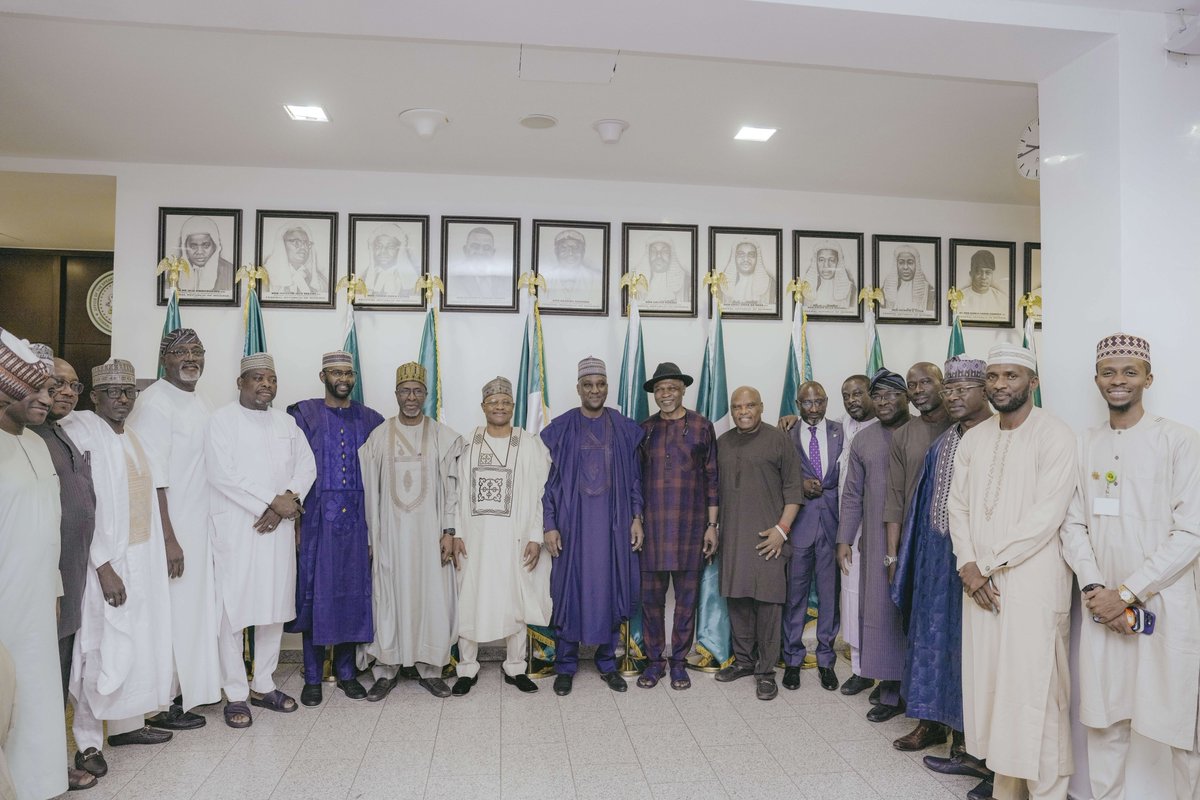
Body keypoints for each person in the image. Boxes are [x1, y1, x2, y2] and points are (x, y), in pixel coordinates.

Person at [1060, 333, 1200, 800]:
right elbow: (1072, 524)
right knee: (1105, 718)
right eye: (1108, 372)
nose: (1118, 381)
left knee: (1181, 723)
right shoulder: (1084, 444)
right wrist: (1098, 589)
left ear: (1148, 378)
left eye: (1129, 372)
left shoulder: (1179, 440)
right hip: (1101, 604)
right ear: (1096, 379)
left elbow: (1191, 533)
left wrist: (1127, 594)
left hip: (1166, 603)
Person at [948, 343, 1077, 800]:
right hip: (980, 585)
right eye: (995, 377)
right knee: (993, 691)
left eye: (1012, 376)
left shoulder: (1056, 435)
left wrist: (983, 566)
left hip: (1032, 584)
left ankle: (1047, 793)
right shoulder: (975, 437)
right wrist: (967, 564)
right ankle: (1006, 789)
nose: (1001, 385)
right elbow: (957, 506)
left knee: (1036, 693)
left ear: (1032, 383)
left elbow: (1047, 516)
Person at [61, 359, 175, 777]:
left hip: (140, 559)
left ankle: (127, 724)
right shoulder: (81, 430)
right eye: (112, 392)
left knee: (135, 645)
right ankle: (87, 743)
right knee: (99, 649)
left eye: (128, 391)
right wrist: (103, 566)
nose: (122, 399)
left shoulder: (134, 438)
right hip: (103, 563)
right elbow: (82, 507)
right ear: (95, 397)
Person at [891, 357, 994, 795]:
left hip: (979, 566)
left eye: (961, 389)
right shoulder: (945, 441)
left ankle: (973, 744)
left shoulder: (998, 437)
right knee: (931, 641)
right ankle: (931, 723)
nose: (952, 396)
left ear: (985, 390)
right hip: (937, 563)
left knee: (969, 653)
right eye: (948, 389)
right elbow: (920, 507)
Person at [205, 353, 316, 728]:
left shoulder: (286, 423)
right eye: (257, 378)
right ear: (240, 382)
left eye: (271, 379)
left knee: (272, 609)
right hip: (238, 529)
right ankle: (235, 693)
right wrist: (272, 501)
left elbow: (307, 466)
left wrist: (287, 497)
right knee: (233, 611)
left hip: (278, 529)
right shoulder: (220, 421)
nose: (266, 384)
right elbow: (222, 473)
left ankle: (263, 684)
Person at [126, 329, 221, 730]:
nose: (190, 358)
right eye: (180, 352)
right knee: (169, 615)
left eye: (196, 351)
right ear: (164, 358)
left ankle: (186, 692)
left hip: (199, 526)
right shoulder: (153, 403)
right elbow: (154, 477)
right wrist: (168, 538)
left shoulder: (198, 398)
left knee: (193, 612)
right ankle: (161, 703)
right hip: (172, 529)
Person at [540, 357, 645, 696]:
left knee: (611, 589)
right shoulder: (561, 428)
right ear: (578, 389)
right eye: (588, 385)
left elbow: (634, 481)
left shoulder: (625, 429)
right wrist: (550, 524)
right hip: (573, 530)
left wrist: (636, 518)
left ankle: (606, 663)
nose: (595, 390)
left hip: (613, 528)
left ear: (607, 387)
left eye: (600, 384)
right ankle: (566, 665)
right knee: (568, 592)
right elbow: (549, 484)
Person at [358, 362, 462, 700]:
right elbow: (368, 490)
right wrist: (371, 538)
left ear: (426, 395)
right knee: (388, 598)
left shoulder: (442, 436)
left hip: (430, 536)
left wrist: (449, 530)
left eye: (418, 390)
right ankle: (386, 670)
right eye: (405, 391)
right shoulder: (378, 436)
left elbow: (452, 489)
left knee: (431, 598)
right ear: (396, 394)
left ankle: (430, 669)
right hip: (389, 537)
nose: (411, 397)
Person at [286, 352, 384, 705]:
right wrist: (295, 524)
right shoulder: (304, 415)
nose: (342, 377)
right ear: (322, 375)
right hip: (314, 520)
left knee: (351, 595)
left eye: (347, 372)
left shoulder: (372, 420)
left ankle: (346, 672)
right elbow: (291, 469)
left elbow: (380, 476)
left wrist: (375, 531)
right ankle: (312, 676)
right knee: (313, 595)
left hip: (357, 521)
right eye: (335, 372)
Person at [451, 376, 552, 696]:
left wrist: (535, 535)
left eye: (505, 402)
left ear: (513, 406)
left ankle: (516, 667)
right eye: (493, 402)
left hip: (516, 538)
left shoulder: (530, 443)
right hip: (474, 539)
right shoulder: (466, 443)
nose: (499, 407)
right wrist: (454, 532)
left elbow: (540, 492)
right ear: (483, 406)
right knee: (469, 598)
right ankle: (466, 668)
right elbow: (453, 491)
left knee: (516, 599)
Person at [0, 329, 68, 800]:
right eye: (38, 390)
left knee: (40, 691)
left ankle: (41, 782)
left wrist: (58, 587)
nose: (48, 399)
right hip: (5, 597)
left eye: (50, 390)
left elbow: (50, 526)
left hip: (40, 595)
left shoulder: (39, 444)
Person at [28, 349, 99, 792]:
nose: (67, 392)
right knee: (41, 675)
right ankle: (42, 767)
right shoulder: (24, 436)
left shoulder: (58, 432)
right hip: (42, 581)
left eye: (74, 386)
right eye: (56, 384)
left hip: (68, 577)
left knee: (57, 674)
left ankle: (49, 762)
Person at [713, 386, 804, 701]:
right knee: (737, 602)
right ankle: (743, 662)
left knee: (767, 606)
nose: (743, 411)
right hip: (733, 539)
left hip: (769, 538)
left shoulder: (779, 440)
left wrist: (782, 529)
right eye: (737, 406)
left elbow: (795, 491)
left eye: (749, 405)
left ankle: (765, 673)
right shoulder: (722, 443)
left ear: (761, 407)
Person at [637, 362, 719, 691]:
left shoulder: (702, 426)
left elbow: (713, 479)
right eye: (659, 389)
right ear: (654, 394)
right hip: (653, 529)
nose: (665, 394)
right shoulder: (644, 429)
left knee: (687, 600)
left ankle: (679, 662)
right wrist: (636, 521)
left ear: (683, 389)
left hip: (691, 528)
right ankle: (655, 661)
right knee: (651, 600)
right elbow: (635, 482)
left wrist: (712, 526)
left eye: (671, 387)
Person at [836, 368, 911, 722]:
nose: (883, 402)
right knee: (881, 614)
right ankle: (891, 689)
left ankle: (914, 691)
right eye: (877, 396)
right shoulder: (864, 441)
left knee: (915, 618)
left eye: (890, 395)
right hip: (879, 540)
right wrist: (844, 539)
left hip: (922, 542)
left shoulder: (925, 433)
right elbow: (851, 495)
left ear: (906, 396)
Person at [884, 362, 952, 749]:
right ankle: (927, 722)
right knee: (921, 638)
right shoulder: (904, 435)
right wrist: (893, 559)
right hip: (916, 550)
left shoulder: (967, 429)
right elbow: (893, 501)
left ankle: (962, 731)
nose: (919, 389)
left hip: (960, 552)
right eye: (912, 385)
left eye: (927, 381)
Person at [781, 381, 842, 692]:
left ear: (827, 401)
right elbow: (778, 474)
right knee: (795, 596)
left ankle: (826, 660)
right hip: (799, 525)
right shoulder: (786, 433)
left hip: (833, 525)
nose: (814, 408)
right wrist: (799, 484)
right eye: (807, 403)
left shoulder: (842, 432)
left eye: (819, 401)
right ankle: (792, 659)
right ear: (797, 403)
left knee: (830, 596)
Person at [836, 375, 878, 698]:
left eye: (858, 393)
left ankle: (887, 673)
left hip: (876, 529)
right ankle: (860, 670)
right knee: (850, 599)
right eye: (846, 395)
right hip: (846, 530)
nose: (852, 400)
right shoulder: (841, 427)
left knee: (877, 602)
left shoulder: (885, 427)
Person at [175, 216, 234, 296]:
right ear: (184, 247)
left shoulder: (230, 271)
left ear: (215, 245)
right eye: (193, 246)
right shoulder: (174, 270)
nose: (199, 252)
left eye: (206, 245)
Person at [542, 229, 604, 307]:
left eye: (576, 248)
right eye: (564, 248)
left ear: (583, 251)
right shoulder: (544, 279)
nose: (570, 253)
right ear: (556, 252)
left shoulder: (597, 278)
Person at [358, 223, 421, 299]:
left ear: (400, 250)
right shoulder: (364, 278)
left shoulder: (412, 281)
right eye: (379, 246)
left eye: (390, 247)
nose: (383, 252)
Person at [451, 226, 508, 303]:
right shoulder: (452, 279)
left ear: (493, 253)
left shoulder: (506, 280)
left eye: (486, 248)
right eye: (475, 246)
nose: (481, 252)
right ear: (465, 250)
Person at [265, 223, 326, 296]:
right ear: (282, 245)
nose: (304, 247)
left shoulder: (319, 281)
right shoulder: (267, 277)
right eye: (296, 242)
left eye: (306, 243)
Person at [799, 240, 857, 311]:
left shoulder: (850, 289)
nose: (826, 265)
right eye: (821, 260)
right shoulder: (804, 288)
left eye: (831, 260)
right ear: (816, 262)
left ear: (838, 262)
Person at [882, 244, 935, 315]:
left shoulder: (929, 291)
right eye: (901, 263)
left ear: (916, 265)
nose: (905, 267)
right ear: (896, 265)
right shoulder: (887, 288)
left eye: (910, 263)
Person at [722, 240, 775, 309]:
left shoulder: (771, 285)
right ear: (734, 257)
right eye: (741, 254)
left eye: (751, 255)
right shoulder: (720, 285)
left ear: (757, 258)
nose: (746, 259)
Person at [957, 250, 1007, 318]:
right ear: (971, 274)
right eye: (979, 272)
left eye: (988, 273)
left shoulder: (1002, 299)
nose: (983, 277)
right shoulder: (958, 298)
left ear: (992, 275)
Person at [640, 239, 689, 306]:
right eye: (653, 251)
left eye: (665, 251)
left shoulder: (686, 282)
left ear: (671, 256)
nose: (658, 255)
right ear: (648, 255)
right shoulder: (636, 283)